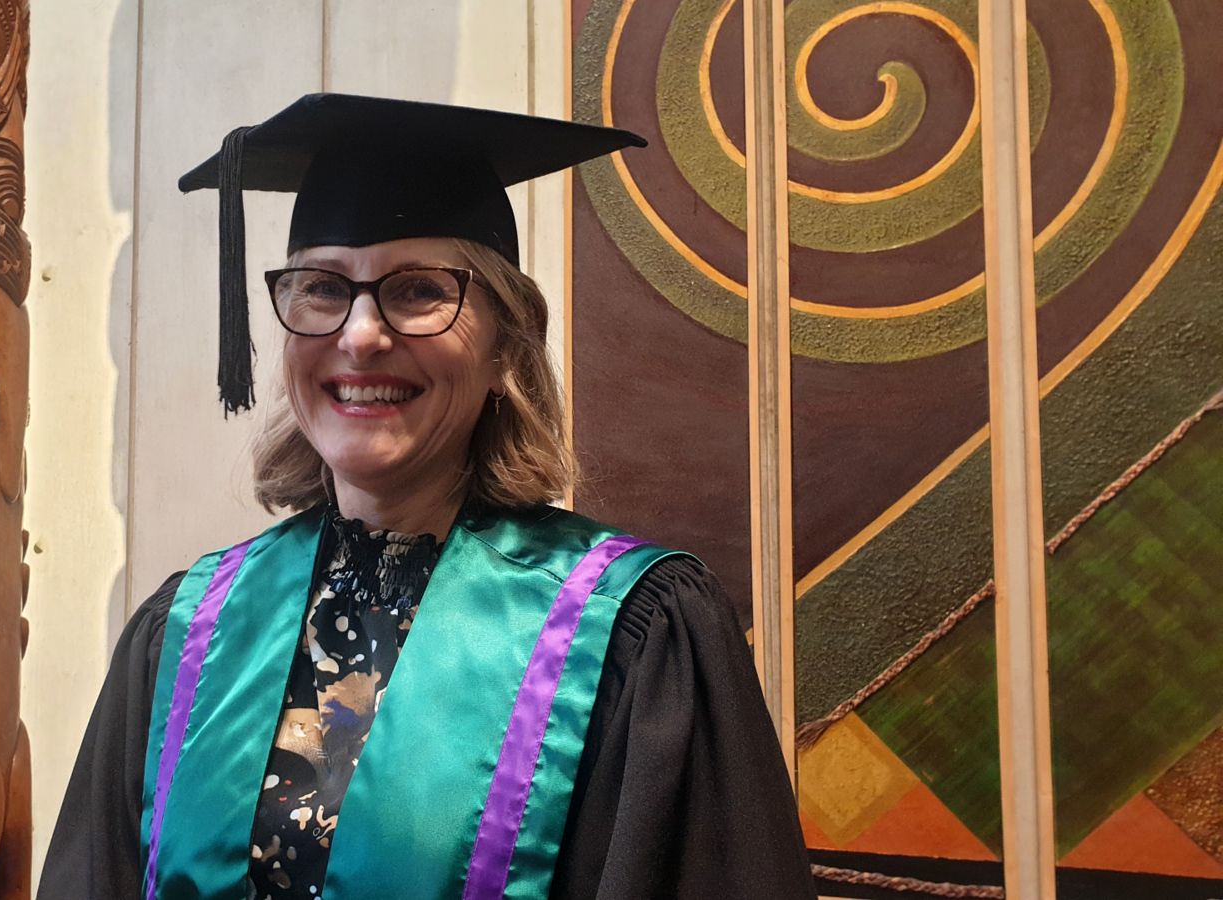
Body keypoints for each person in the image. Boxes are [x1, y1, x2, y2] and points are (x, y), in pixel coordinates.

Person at [41, 94, 815, 898]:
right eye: (321, 288)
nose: (361, 334)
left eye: (416, 291)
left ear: (507, 341)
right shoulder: (185, 636)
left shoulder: (629, 635)